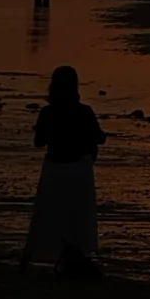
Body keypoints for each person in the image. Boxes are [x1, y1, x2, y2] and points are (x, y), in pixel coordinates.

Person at [21, 65, 106, 277]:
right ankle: (74, 258)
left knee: (47, 216)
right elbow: (100, 138)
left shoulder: (47, 112)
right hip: (79, 170)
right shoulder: (84, 111)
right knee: (77, 217)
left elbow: (39, 142)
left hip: (54, 169)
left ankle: (31, 256)